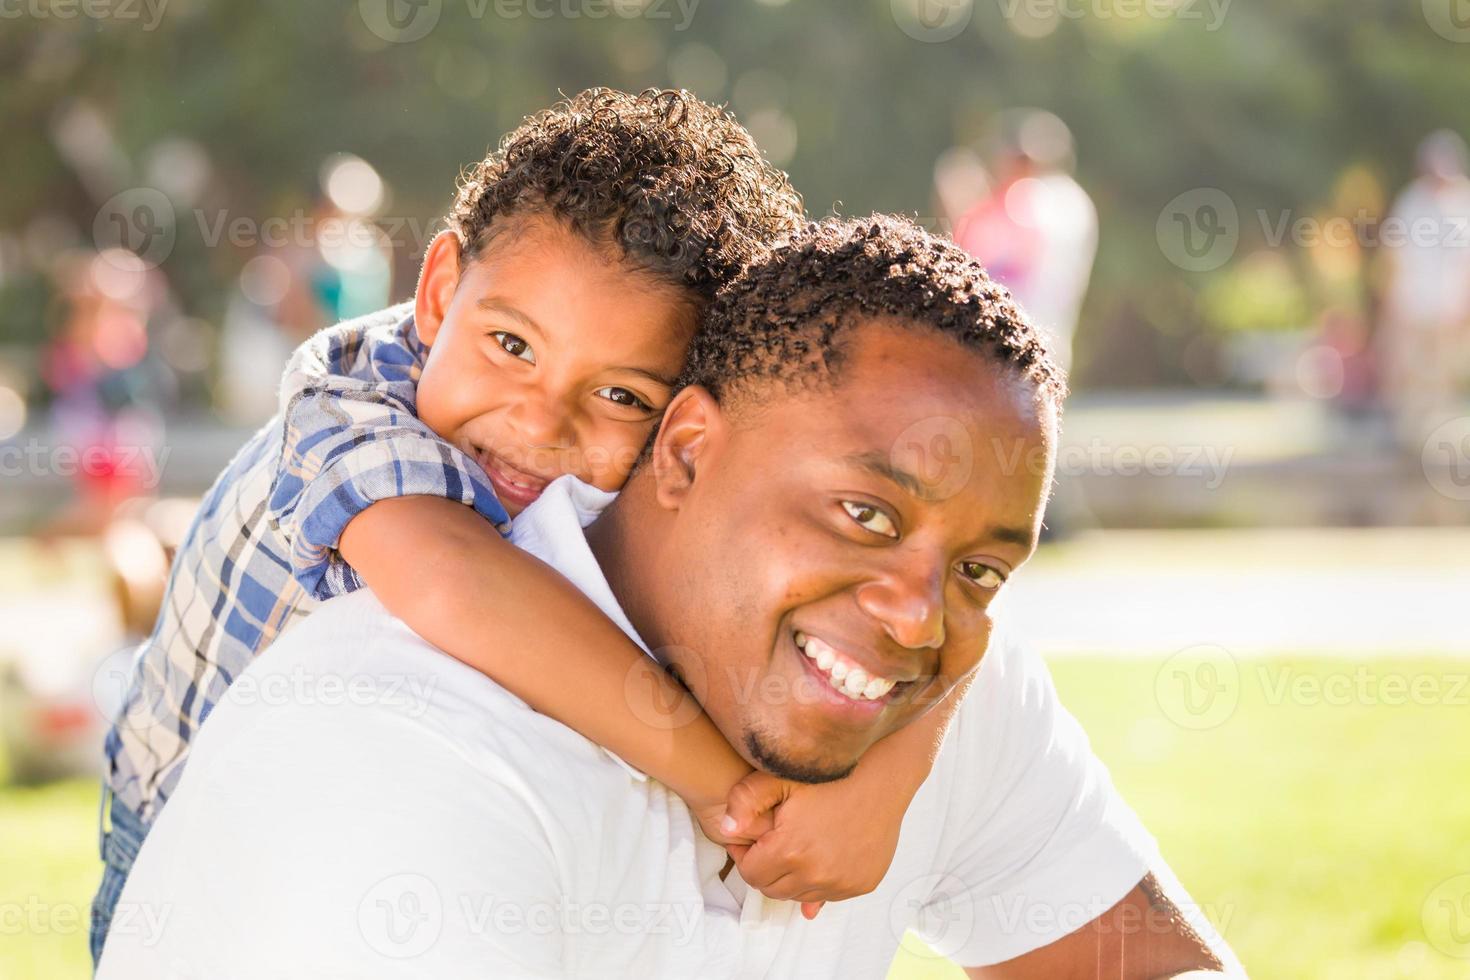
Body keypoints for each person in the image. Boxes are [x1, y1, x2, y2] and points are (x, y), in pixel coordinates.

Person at [98, 216, 1241, 978]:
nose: (920, 614)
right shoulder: (399, 720)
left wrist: (916, 730)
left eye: (981, 568)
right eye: (867, 512)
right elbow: (458, 586)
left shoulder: (917, 668)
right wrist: (737, 790)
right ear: (685, 452)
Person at [92, 88, 966, 964]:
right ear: (439, 294)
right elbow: (458, 584)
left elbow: (952, 604)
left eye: (621, 395)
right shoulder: (349, 406)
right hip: (175, 823)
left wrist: (889, 777)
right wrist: (739, 792)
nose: (541, 423)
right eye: (511, 346)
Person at [952, 109, 1097, 372]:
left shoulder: (1041, 199)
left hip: (1024, 321)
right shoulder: (1072, 199)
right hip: (1050, 322)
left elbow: (997, 258)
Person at [1375, 129, 1470, 450]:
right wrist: (1392, 303)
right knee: (1411, 372)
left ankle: (1438, 436)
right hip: (1412, 304)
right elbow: (1395, 254)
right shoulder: (1411, 201)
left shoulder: (1462, 202)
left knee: (1442, 374)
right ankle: (1409, 438)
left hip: (1447, 306)